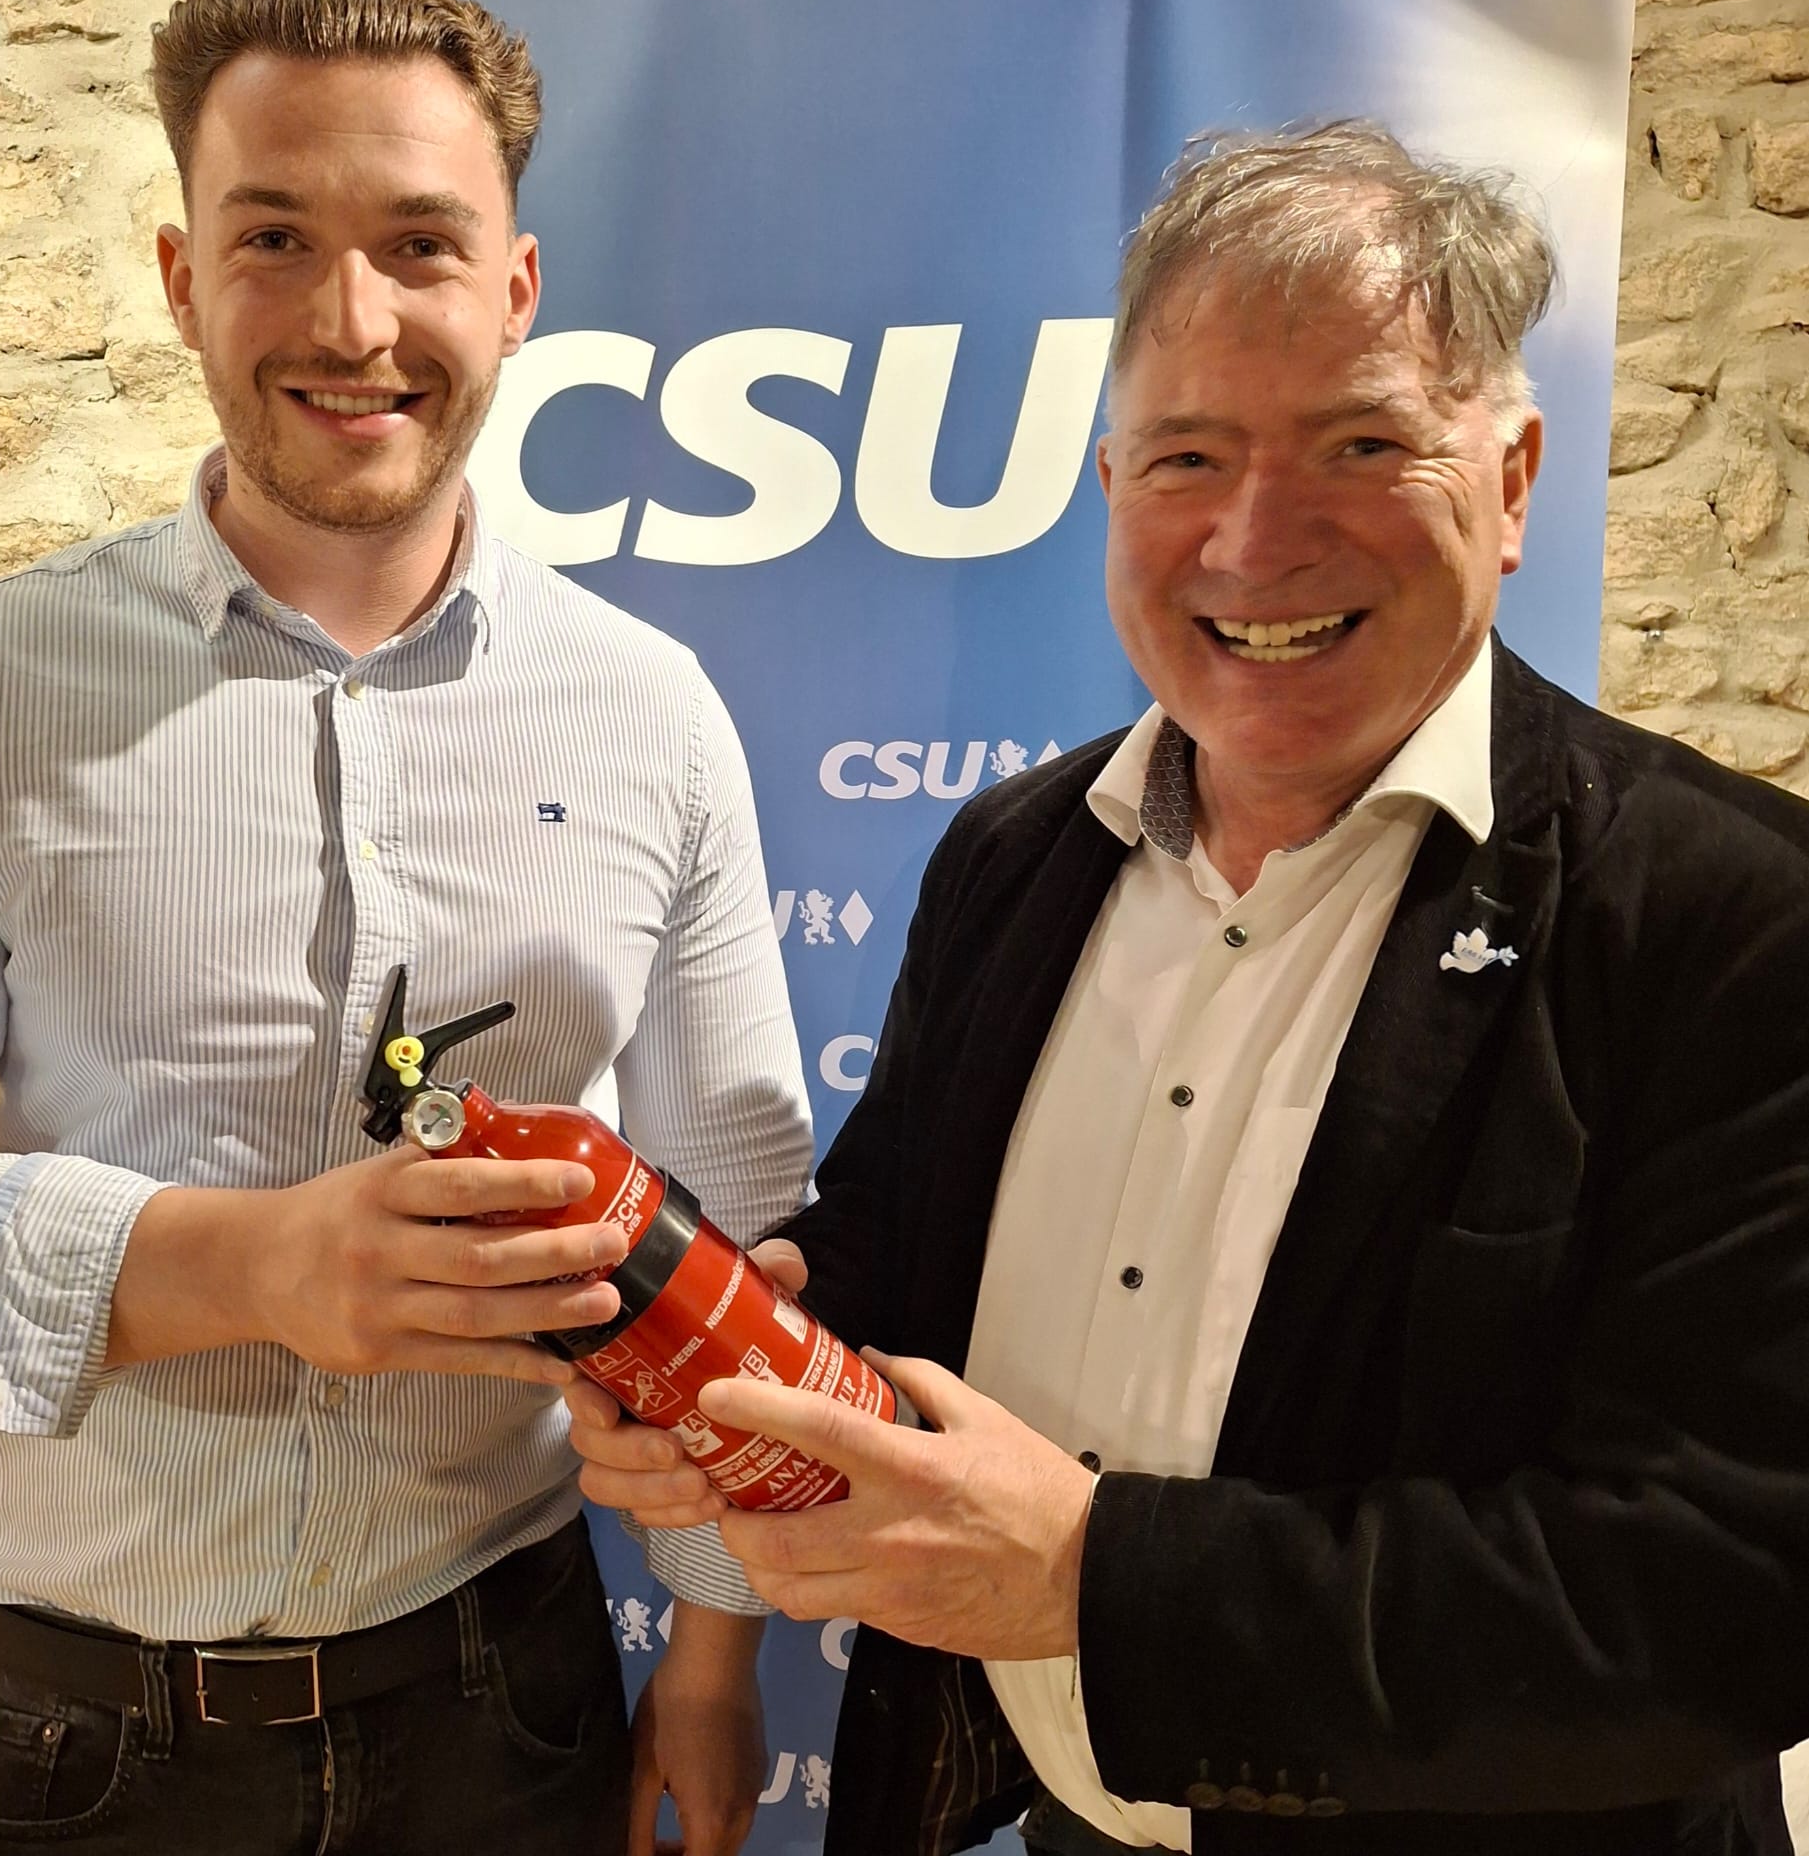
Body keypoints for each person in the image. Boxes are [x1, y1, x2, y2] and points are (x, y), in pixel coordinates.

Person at [571, 121, 1809, 1855]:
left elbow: (1725, 1591)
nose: (1253, 537)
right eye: (1186, 456)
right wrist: (735, 1370)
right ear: (1105, 489)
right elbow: (897, 1260)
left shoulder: (1735, 919)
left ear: (1514, 478)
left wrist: (1091, 1579)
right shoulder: (1010, 857)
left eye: (1360, 443)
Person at [0, 0, 809, 1856]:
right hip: (59, 1737)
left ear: (514, 291)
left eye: (422, 244)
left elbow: (740, 1221)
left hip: (501, 1708)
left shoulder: (651, 712)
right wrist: (252, 1266)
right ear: (186, 277)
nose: (353, 319)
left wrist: (708, 1650)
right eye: (274, 237)